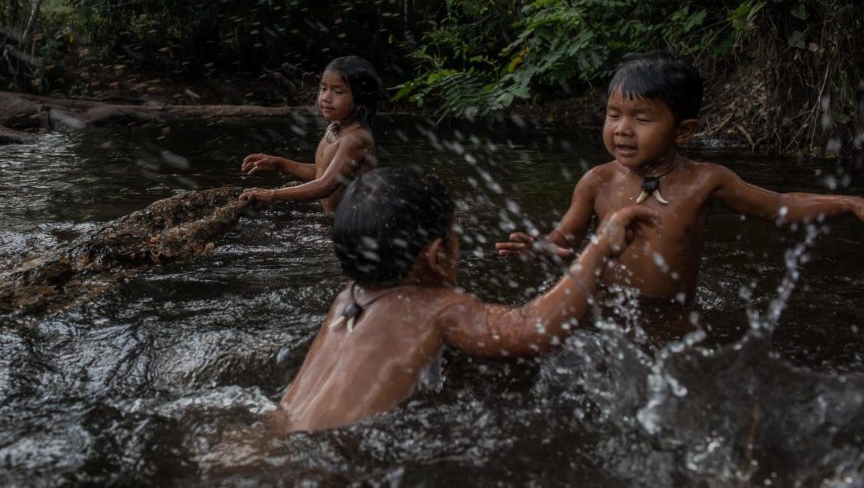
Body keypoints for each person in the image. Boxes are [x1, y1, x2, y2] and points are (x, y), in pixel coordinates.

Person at [275, 167, 656, 433]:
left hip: (274, 430)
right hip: (334, 457)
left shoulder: (347, 297)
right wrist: (598, 248)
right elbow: (532, 329)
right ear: (437, 253)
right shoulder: (438, 307)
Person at [495, 51, 864, 302]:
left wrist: (846, 202)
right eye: (613, 115)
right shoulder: (597, 181)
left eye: (641, 119)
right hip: (608, 309)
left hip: (675, 313)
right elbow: (564, 239)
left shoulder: (705, 180)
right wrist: (541, 248)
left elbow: (780, 206)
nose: (622, 129)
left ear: (683, 131)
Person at [240, 56, 379, 214]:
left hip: (356, 227)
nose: (326, 97)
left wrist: (273, 194)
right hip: (337, 221)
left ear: (361, 98)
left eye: (338, 91)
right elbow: (321, 172)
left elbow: (325, 186)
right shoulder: (334, 127)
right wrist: (280, 163)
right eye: (323, 88)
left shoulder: (355, 139)